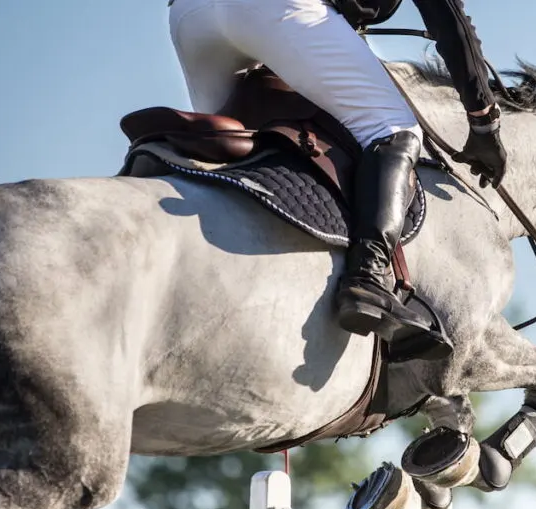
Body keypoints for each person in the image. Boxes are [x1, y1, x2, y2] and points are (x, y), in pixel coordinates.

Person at [167, 0, 507, 358]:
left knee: (228, 144)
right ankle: (369, 277)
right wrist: (483, 120)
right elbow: (448, 19)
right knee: (393, 128)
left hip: (191, 16)